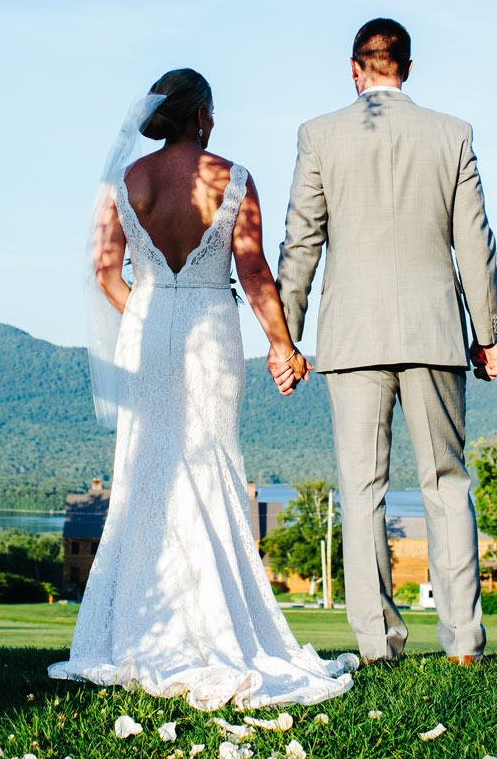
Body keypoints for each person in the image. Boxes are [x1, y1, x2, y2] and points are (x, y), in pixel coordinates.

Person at [49, 68, 356, 708]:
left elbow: (107, 273)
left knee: (145, 472)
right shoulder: (232, 177)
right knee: (211, 461)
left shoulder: (126, 182)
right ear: (199, 115)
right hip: (213, 330)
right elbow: (252, 270)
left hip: (147, 326)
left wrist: (149, 313)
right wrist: (282, 345)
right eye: (211, 111)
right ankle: (216, 631)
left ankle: (140, 629)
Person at [270, 19, 497, 664]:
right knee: (446, 484)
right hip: (435, 333)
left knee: (362, 490)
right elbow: (475, 246)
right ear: (408, 65)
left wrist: (284, 339)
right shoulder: (453, 135)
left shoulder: (319, 136)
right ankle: (463, 644)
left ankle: (379, 645)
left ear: (355, 68)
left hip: (351, 338)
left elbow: (302, 242)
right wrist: (487, 333)